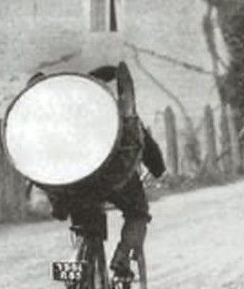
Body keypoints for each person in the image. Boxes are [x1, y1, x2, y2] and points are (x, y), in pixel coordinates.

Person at [34, 62, 165, 279]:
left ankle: (76, 260)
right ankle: (122, 257)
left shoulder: (67, 116)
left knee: (84, 222)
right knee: (138, 213)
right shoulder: (118, 112)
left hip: (73, 183)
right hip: (115, 179)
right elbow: (146, 146)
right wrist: (158, 170)